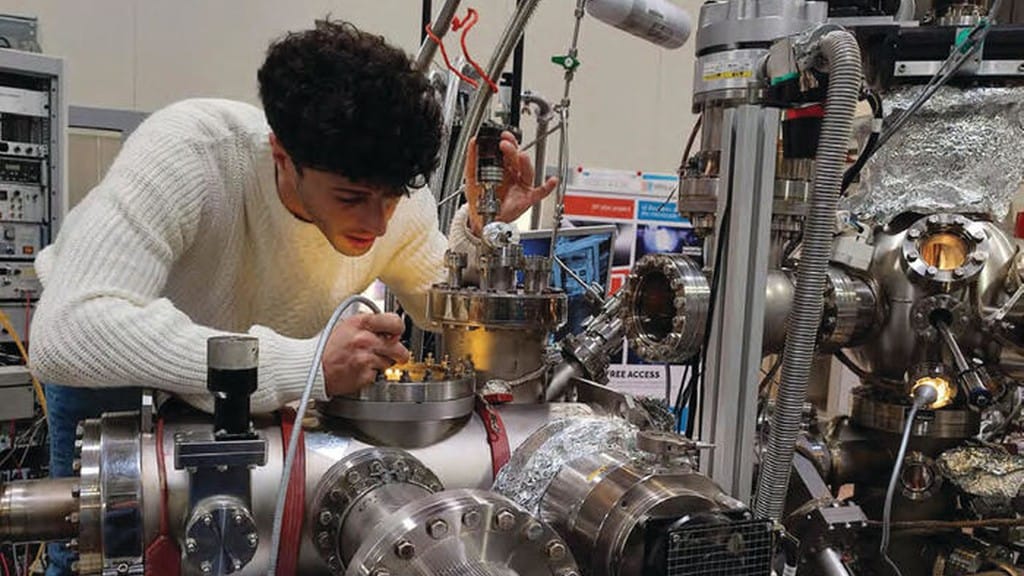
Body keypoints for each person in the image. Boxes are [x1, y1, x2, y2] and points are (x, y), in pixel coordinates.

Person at [30, 20, 555, 575]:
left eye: (393, 197)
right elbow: (70, 331)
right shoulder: (193, 154)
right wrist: (306, 366)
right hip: (119, 359)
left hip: (252, 381)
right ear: (281, 153)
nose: (378, 223)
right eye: (351, 197)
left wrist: (483, 237)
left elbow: (440, 307)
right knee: (101, 546)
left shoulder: (394, 203)